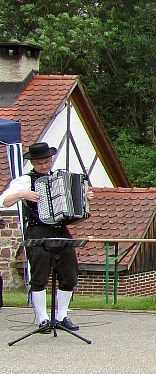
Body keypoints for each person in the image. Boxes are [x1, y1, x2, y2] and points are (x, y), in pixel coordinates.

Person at [0, 142, 88, 332]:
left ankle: (62, 316)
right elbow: (4, 200)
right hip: (37, 230)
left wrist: (84, 197)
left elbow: (74, 205)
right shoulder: (24, 180)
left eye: (47, 162)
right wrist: (23, 194)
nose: (44, 166)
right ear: (32, 162)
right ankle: (43, 319)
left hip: (60, 230)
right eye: (40, 163)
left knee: (70, 274)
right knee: (39, 276)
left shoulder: (60, 178)